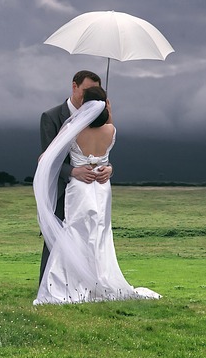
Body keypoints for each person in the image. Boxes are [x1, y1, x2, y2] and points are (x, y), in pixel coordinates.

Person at [33, 86, 159, 305]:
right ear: (105, 105)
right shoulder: (111, 130)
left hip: (80, 186)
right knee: (99, 234)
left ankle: (69, 285)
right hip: (102, 185)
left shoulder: (73, 128)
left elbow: (49, 155)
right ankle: (99, 281)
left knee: (75, 232)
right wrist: (109, 114)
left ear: (85, 105)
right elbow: (105, 147)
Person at [38, 71, 109, 285]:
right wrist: (72, 171)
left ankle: (88, 284)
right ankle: (48, 285)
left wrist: (108, 168)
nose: (89, 99)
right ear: (74, 87)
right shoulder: (51, 117)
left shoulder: (99, 119)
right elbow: (47, 158)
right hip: (61, 189)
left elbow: (103, 151)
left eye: (94, 95)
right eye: (86, 92)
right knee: (56, 238)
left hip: (94, 189)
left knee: (92, 237)